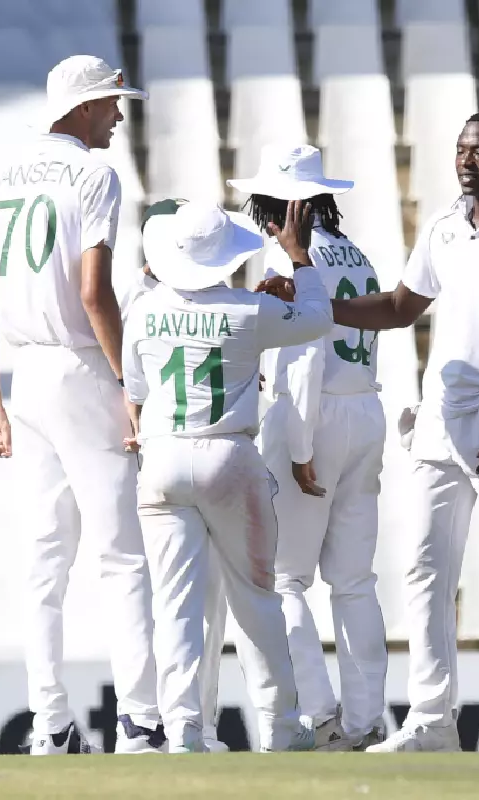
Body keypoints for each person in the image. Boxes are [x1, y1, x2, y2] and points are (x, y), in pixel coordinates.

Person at [260, 110, 479, 752]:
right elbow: (399, 310)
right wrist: (313, 303)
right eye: (461, 149)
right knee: (425, 572)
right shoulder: (441, 228)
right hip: (437, 417)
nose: (466, 161)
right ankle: (432, 720)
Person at [0, 54, 163, 755]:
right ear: (81, 108)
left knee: (45, 560)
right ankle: (139, 720)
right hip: (82, 369)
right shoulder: (95, 174)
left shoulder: (5, 173)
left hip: (26, 376)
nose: (118, 111)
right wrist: (130, 386)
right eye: (111, 101)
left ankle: (49, 724)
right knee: (122, 557)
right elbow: (93, 293)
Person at [123, 199, 333, 753]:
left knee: (176, 604)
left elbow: (137, 393)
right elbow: (318, 317)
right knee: (255, 598)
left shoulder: (144, 310)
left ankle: (185, 727)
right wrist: (299, 258)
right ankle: (283, 727)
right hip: (229, 458)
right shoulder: (249, 310)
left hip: (163, 456)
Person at [231, 144, 389, 751]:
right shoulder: (357, 252)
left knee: (285, 578)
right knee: (353, 580)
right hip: (364, 407)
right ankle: (365, 721)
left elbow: (300, 359)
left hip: (313, 414)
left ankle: (321, 717)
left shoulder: (292, 256)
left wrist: (297, 447)